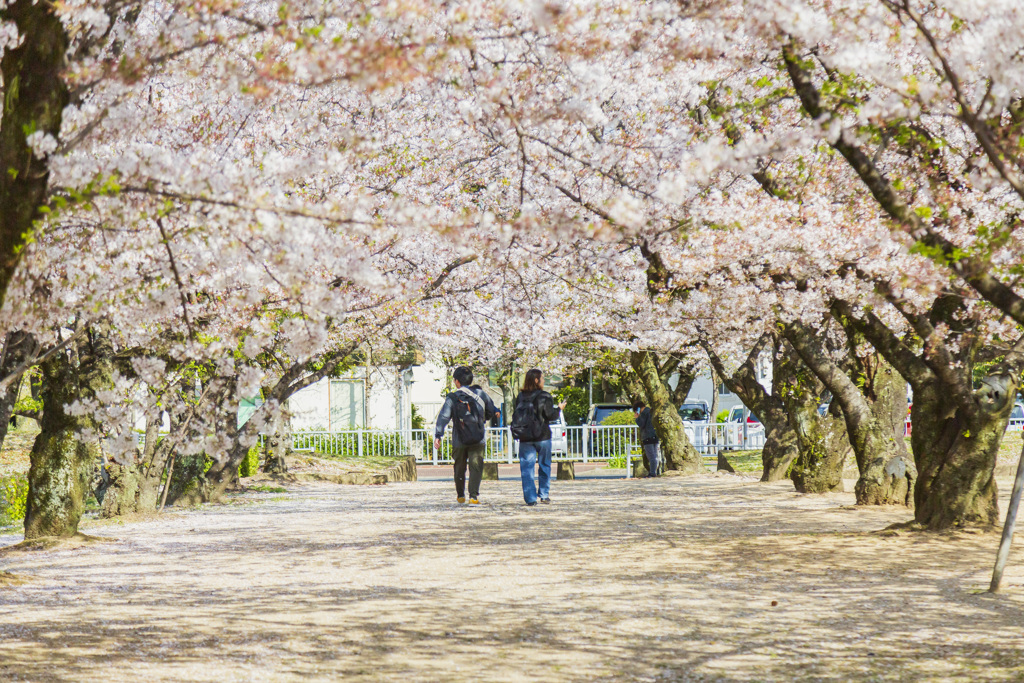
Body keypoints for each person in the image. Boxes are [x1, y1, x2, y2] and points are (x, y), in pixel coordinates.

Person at [434, 366, 499, 505]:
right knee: (476, 466)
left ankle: (460, 495)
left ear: (456, 382)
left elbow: (444, 416)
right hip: (478, 438)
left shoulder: (452, 397)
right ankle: (474, 496)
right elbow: (491, 410)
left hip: (459, 439)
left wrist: (438, 434)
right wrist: (482, 420)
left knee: (459, 467)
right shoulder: (481, 394)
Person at [511, 368, 565, 506]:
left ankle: (530, 499)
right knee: (545, 465)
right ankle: (544, 495)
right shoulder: (545, 396)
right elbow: (550, 416)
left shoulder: (520, 396)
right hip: (542, 436)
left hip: (525, 437)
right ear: (536, 380)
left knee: (527, 468)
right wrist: (559, 409)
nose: (543, 381)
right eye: (542, 378)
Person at [633, 400, 661, 477]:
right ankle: (655, 471)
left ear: (638, 409)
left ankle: (652, 473)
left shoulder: (644, 413)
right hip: (655, 435)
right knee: (655, 455)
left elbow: (641, 424)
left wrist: (637, 418)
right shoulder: (651, 411)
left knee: (651, 456)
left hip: (647, 436)